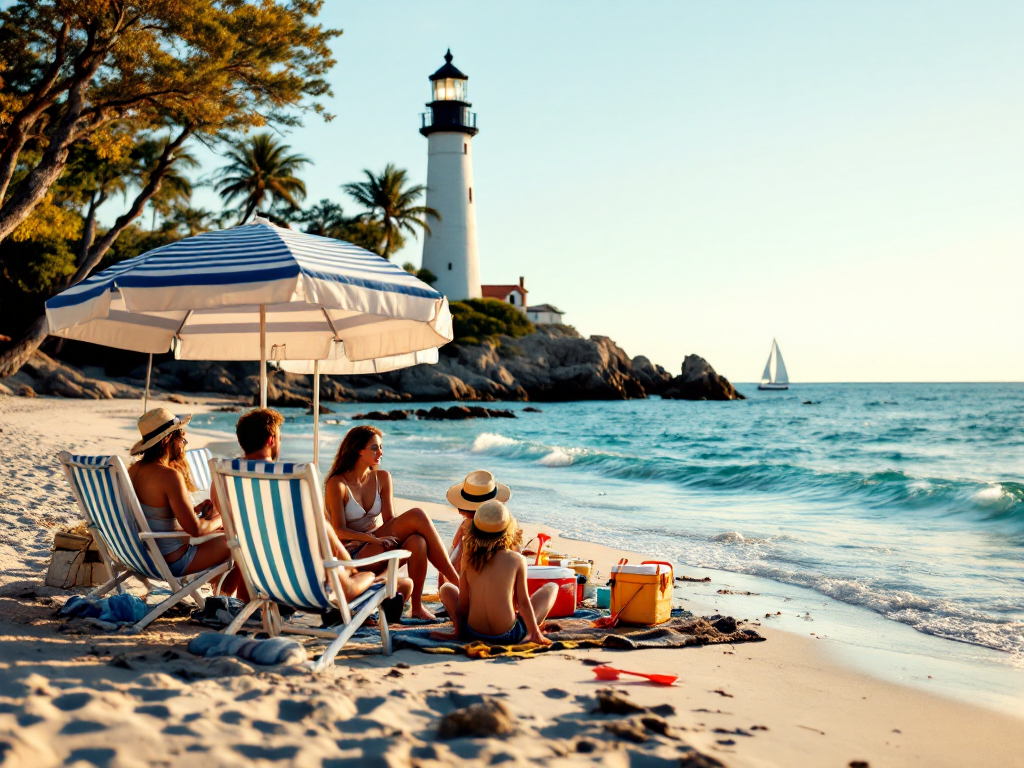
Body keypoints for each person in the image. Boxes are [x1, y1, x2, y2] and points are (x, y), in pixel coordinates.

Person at [228, 409, 406, 607]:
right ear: (271, 440)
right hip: (301, 577)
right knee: (368, 576)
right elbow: (321, 529)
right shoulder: (287, 479)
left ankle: (373, 588)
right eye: (279, 437)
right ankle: (369, 588)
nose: (280, 442)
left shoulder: (227, 476)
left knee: (387, 582)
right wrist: (350, 565)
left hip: (259, 572)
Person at [325, 425, 459, 620]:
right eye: (375, 447)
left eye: (381, 447)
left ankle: (417, 607)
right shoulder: (337, 484)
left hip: (378, 548)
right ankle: (459, 585)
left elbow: (390, 521)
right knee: (418, 514)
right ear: (358, 450)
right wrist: (371, 539)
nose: (380, 452)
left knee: (417, 541)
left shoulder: (382, 477)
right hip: (353, 557)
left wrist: (380, 540)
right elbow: (338, 531)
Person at [127, 408, 244, 597]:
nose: (184, 445)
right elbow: (196, 530)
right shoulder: (169, 476)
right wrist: (223, 519)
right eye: (182, 440)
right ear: (167, 440)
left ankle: (219, 596)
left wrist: (194, 510)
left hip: (144, 555)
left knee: (217, 526)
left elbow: (154, 511)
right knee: (238, 542)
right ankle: (222, 602)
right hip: (172, 560)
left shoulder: (134, 470)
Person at [436, 500, 555, 646]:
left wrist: (466, 625)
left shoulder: (467, 559)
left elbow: (464, 605)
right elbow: (522, 604)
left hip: (473, 632)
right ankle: (533, 632)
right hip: (507, 635)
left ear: (475, 530)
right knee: (551, 588)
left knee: (446, 589)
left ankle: (460, 632)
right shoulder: (516, 560)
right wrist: (535, 634)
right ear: (508, 530)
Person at [438, 470, 513, 589]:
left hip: (466, 587)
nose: (458, 510)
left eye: (461, 507)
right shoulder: (504, 526)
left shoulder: (466, 527)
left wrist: (442, 588)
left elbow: (453, 560)